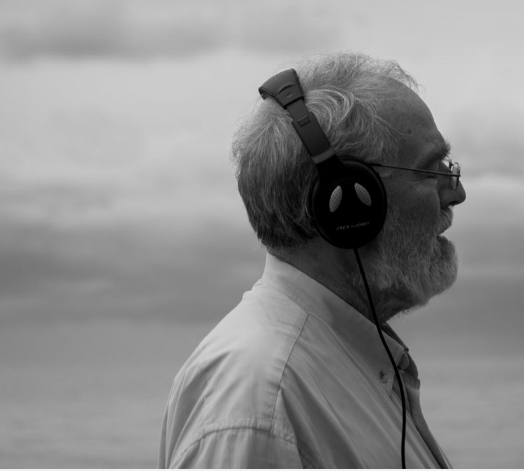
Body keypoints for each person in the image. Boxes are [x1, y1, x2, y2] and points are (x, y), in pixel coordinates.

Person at [158, 52, 466, 468]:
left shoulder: (339, 365)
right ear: (353, 201)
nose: (455, 193)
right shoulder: (264, 404)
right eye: (432, 171)